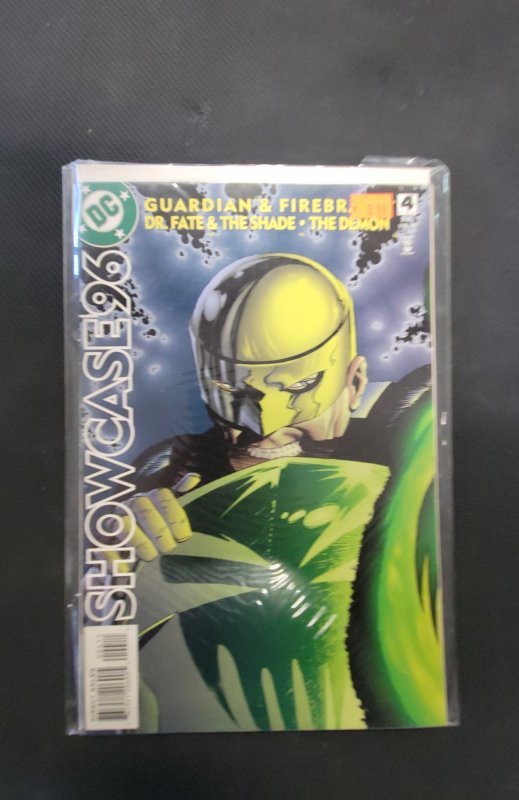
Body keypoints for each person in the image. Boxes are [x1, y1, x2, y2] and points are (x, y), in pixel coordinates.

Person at [125, 254, 441, 730]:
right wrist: (120, 555)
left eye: (299, 387)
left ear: (354, 382)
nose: (266, 425)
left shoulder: (405, 434)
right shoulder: (168, 474)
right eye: (234, 393)